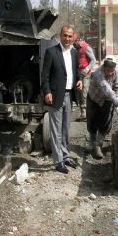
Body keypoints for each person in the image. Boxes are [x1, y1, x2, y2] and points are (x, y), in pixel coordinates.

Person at [41, 25, 82, 174]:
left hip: (69, 95)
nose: (68, 39)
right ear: (60, 36)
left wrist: (80, 79)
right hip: (55, 96)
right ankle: (58, 161)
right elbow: (44, 76)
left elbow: (77, 71)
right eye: (65, 35)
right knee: (56, 130)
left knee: (65, 129)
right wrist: (47, 92)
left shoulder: (75, 53)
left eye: (70, 36)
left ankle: (66, 156)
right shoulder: (51, 52)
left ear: (73, 37)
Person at [87, 55, 118, 159]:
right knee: (92, 122)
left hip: (108, 100)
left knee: (106, 123)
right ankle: (92, 141)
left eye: (112, 70)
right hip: (94, 99)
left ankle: (98, 144)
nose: (110, 72)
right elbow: (106, 89)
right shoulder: (98, 74)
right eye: (107, 70)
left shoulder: (116, 73)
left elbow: (117, 88)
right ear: (104, 67)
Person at [72, 33, 96, 121]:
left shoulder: (86, 47)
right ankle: (83, 113)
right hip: (78, 73)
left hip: (85, 73)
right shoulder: (75, 48)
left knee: (84, 92)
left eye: (75, 42)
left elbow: (93, 60)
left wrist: (87, 68)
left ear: (79, 40)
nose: (73, 44)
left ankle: (85, 113)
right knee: (78, 92)